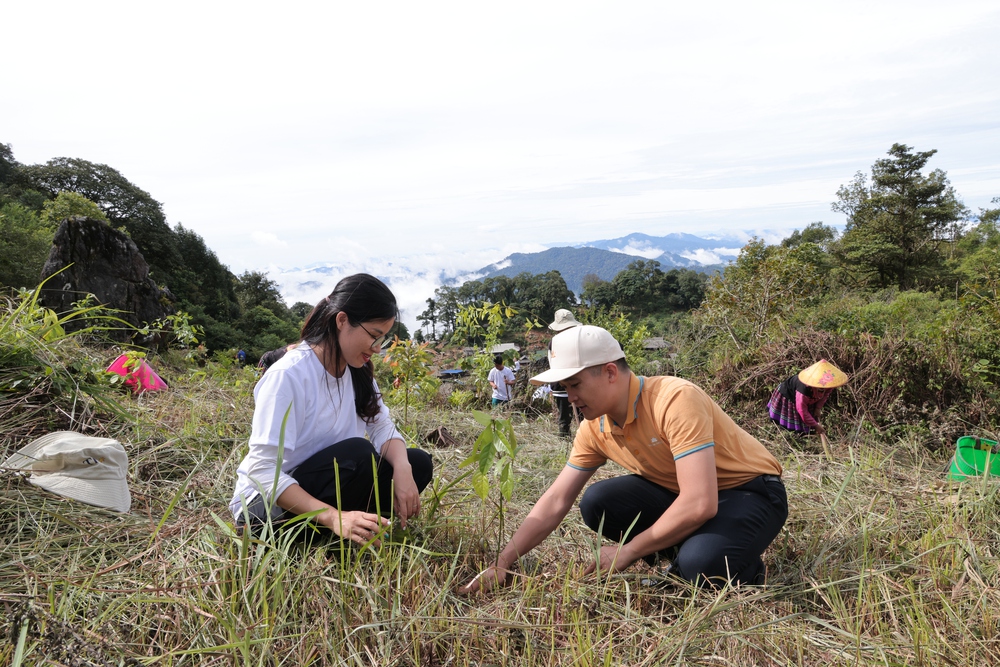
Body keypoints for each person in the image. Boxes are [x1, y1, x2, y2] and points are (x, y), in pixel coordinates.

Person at [460, 325, 787, 593]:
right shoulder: (594, 426)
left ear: (611, 372)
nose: (569, 396)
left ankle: (734, 566)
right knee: (599, 502)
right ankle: (689, 556)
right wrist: (503, 561)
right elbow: (557, 498)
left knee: (701, 565)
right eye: (563, 386)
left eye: (575, 384)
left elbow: (700, 503)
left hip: (751, 492)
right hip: (682, 494)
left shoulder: (673, 400)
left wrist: (628, 551)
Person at [229, 273, 433, 544]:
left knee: (417, 463)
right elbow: (263, 472)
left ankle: (351, 530)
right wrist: (332, 516)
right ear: (342, 320)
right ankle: (330, 528)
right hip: (265, 509)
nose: (376, 349)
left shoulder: (358, 373)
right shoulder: (288, 376)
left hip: (323, 486)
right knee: (357, 453)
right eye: (373, 336)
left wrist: (403, 470)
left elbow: (382, 425)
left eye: (382, 339)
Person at [767, 359, 848, 436]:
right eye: (820, 388)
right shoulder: (803, 389)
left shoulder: (829, 384)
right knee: (791, 422)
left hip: (809, 399)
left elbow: (825, 395)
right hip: (788, 395)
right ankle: (790, 433)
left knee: (808, 417)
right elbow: (802, 409)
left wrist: (818, 408)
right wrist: (816, 425)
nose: (823, 389)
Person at [547, 309, 583, 437]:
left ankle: (585, 441)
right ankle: (565, 445)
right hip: (562, 386)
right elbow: (553, 364)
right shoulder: (554, 342)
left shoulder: (578, 340)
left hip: (577, 384)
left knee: (583, 417)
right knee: (565, 418)